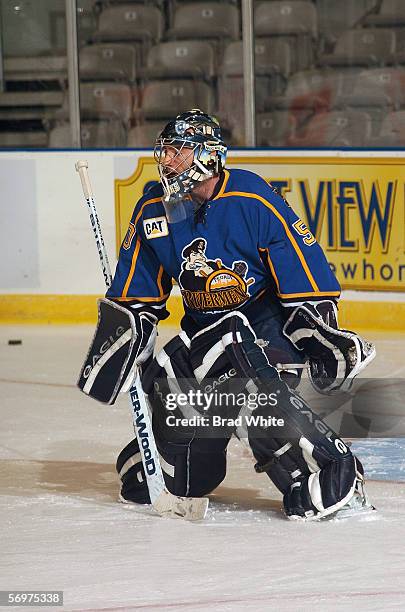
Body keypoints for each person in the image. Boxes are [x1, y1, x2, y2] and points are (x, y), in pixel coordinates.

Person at [80, 109, 375, 520]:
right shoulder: (153, 210)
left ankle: (333, 469)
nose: (166, 161)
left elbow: (306, 277)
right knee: (182, 476)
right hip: (203, 342)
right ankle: (162, 457)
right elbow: (136, 299)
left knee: (257, 399)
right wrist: (121, 342)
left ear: (209, 154)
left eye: (178, 152)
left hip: (267, 337)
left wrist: (322, 334)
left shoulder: (252, 198)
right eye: (165, 152)